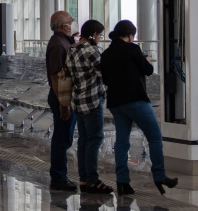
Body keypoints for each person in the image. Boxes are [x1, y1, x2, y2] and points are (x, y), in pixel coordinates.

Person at [101, 20, 178, 195]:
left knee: (122, 142)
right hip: (135, 100)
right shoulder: (132, 49)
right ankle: (159, 176)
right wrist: (146, 60)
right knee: (155, 137)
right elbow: (148, 70)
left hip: (115, 103)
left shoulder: (106, 54)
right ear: (130, 35)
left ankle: (122, 181)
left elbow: (105, 80)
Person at [65, 20, 111, 194]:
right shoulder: (92, 50)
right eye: (99, 35)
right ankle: (92, 179)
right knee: (95, 139)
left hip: (77, 100)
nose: (100, 39)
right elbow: (104, 74)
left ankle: (83, 179)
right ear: (93, 35)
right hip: (92, 101)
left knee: (84, 140)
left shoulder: (72, 49)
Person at [45, 10, 78, 191]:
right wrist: (63, 103)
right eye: (70, 21)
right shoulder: (58, 45)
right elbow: (56, 76)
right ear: (63, 25)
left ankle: (59, 176)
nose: (72, 24)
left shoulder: (64, 42)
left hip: (63, 96)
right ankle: (58, 177)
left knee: (63, 137)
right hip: (61, 96)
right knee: (62, 138)